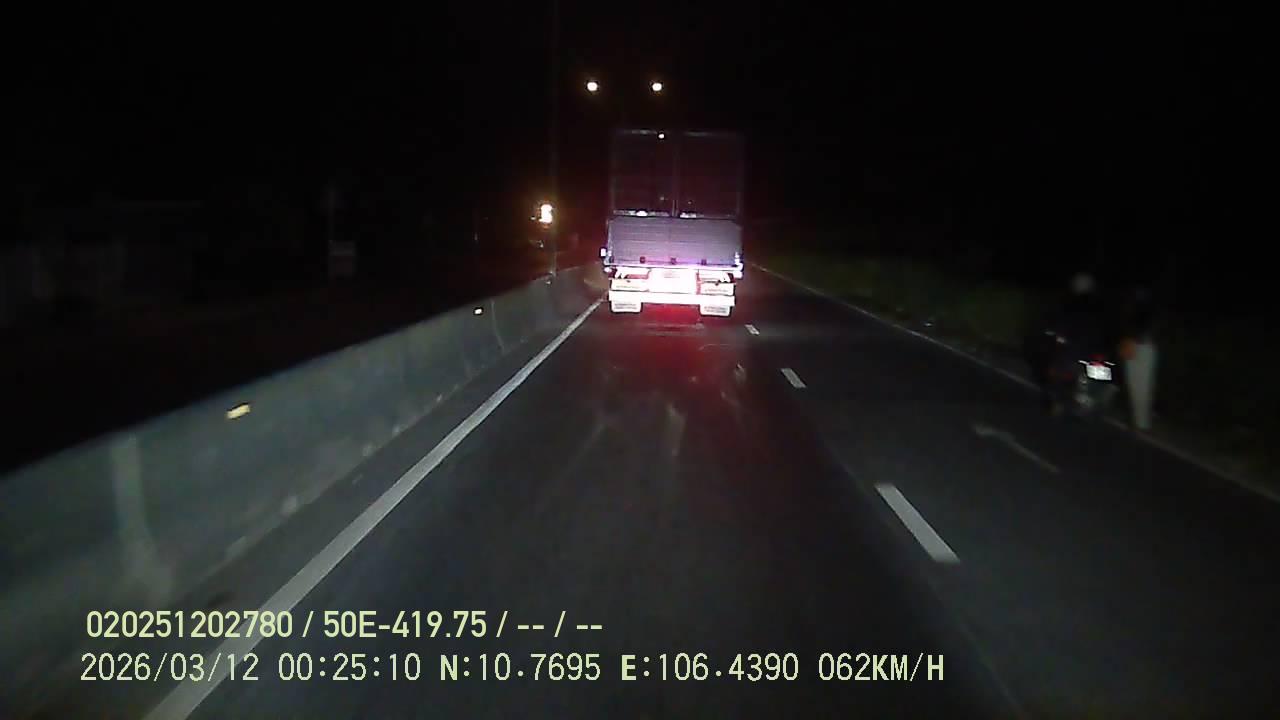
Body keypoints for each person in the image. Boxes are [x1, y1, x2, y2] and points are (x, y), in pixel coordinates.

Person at [1027, 272, 1110, 415]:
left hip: (1079, 351)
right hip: (1088, 349)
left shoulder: (1074, 305)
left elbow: (1061, 325)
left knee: (1056, 364)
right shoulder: (1095, 306)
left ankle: (1059, 397)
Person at [1120, 285, 1159, 431]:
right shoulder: (1131, 310)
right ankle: (1138, 421)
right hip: (1136, 345)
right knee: (1136, 386)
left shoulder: (1149, 311)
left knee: (1141, 386)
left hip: (1143, 346)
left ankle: (1141, 423)